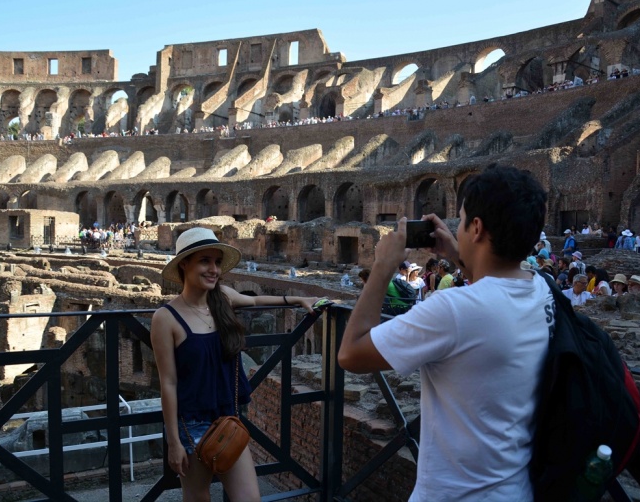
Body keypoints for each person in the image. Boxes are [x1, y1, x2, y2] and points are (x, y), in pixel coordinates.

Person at [338, 164, 552, 500]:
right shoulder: (542, 289)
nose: (460, 229)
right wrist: (458, 252)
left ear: (477, 228)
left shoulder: (453, 309)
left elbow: (351, 354)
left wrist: (382, 267)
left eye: (463, 221)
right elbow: (495, 288)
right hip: (515, 489)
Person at [151, 227, 320, 501]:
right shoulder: (166, 318)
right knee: (198, 497)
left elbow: (254, 299)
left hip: (229, 418)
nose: (214, 269)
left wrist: (297, 299)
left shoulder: (223, 298)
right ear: (184, 264)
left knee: (249, 498)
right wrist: (173, 442)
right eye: (205, 261)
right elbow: (167, 383)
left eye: (217, 262)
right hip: (191, 425)